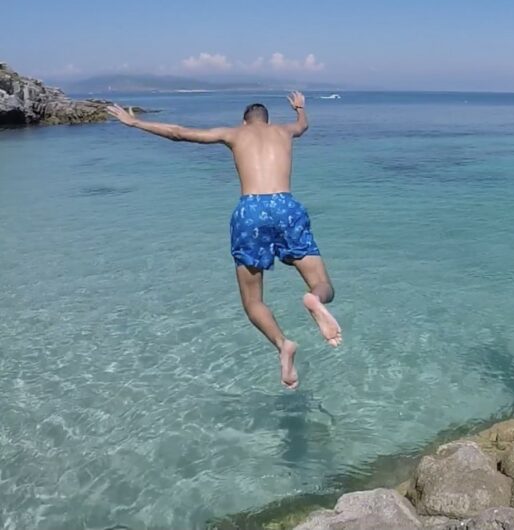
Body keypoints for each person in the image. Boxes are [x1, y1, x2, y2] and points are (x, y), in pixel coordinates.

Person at [107, 92, 341, 389]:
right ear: (267, 121)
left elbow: (180, 134)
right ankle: (315, 300)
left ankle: (283, 345)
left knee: (253, 301)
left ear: (244, 121)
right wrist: (300, 109)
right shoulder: (284, 131)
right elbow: (303, 126)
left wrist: (134, 122)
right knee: (323, 283)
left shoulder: (233, 133)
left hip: (250, 210)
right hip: (286, 207)